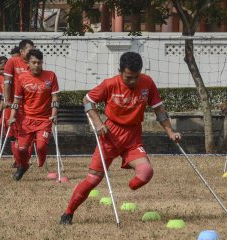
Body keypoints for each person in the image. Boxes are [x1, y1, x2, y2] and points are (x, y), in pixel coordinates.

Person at [59, 52, 182, 225]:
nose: (133, 81)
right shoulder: (110, 84)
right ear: (120, 72)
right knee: (93, 179)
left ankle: (129, 188)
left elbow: (159, 109)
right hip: (110, 134)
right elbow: (87, 100)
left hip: (133, 136)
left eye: (136, 77)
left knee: (146, 172)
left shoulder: (147, 83)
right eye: (128, 77)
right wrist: (98, 123)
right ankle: (68, 212)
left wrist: (170, 132)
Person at [8, 49, 59, 181]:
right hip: (27, 120)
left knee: (41, 146)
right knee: (22, 149)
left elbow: (55, 98)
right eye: (34, 62)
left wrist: (54, 114)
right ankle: (23, 166)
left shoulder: (51, 76)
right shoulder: (22, 78)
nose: (37, 65)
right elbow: (17, 100)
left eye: (39, 63)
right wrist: (12, 116)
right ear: (28, 63)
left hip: (44, 119)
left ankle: (42, 160)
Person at [3, 39, 35, 168]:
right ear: (22, 51)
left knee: (30, 134)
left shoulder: (34, 62)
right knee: (15, 135)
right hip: (16, 105)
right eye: (30, 49)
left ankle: (25, 161)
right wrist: (7, 101)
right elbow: (7, 83)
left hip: (31, 106)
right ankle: (18, 161)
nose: (32, 52)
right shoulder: (12, 62)